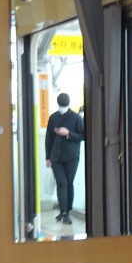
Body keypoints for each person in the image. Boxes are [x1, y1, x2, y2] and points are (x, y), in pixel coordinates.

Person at [45, 92, 84, 225]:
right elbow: (49, 138)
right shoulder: (53, 118)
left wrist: (68, 133)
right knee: (61, 183)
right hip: (56, 156)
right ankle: (64, 212)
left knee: (68, 183)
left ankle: (67, 210)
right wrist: (48, 157)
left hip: (71, 157)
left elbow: (82, 136)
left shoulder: (76, 118)